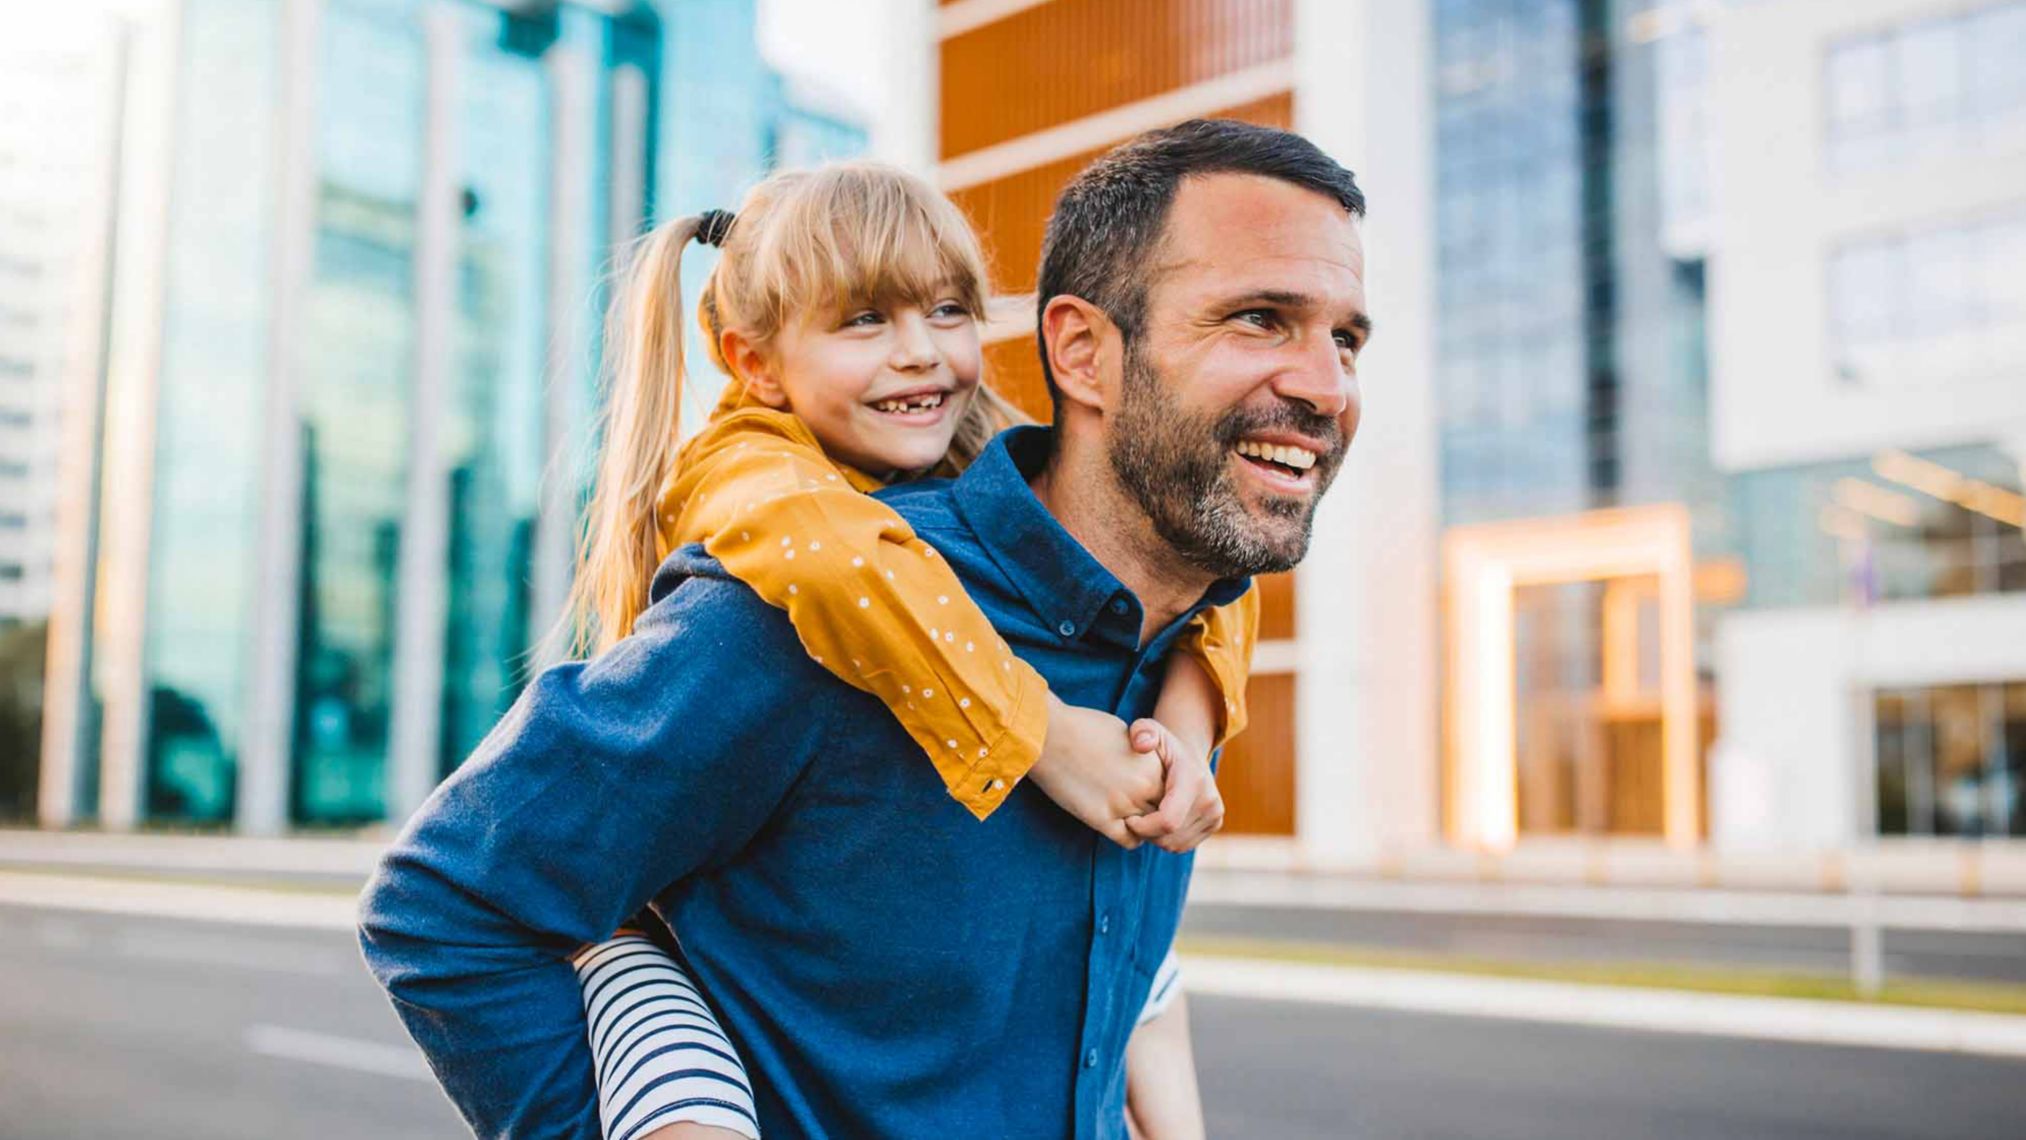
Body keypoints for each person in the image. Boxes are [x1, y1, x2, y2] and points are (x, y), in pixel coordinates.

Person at [359, 119, 1368, 1140]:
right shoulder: (788, 609)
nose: (1327, 386)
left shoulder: (1183, 623)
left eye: (1346, 339)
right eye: (1256, 319)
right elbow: (447, 907)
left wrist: (1189, 726)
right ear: (1079, 351)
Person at [552, 162, 1248, 1138]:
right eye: (863, 320)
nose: (920, 353)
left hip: (978, 897)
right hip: (692, 929)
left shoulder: (977, 461)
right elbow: (839, 561)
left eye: (948, 309)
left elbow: (1199, 553)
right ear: (751, 362)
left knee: (1105, 931)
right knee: (660, 1030)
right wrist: (1046, 734)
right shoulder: (749, 475)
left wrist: (1182, 719)